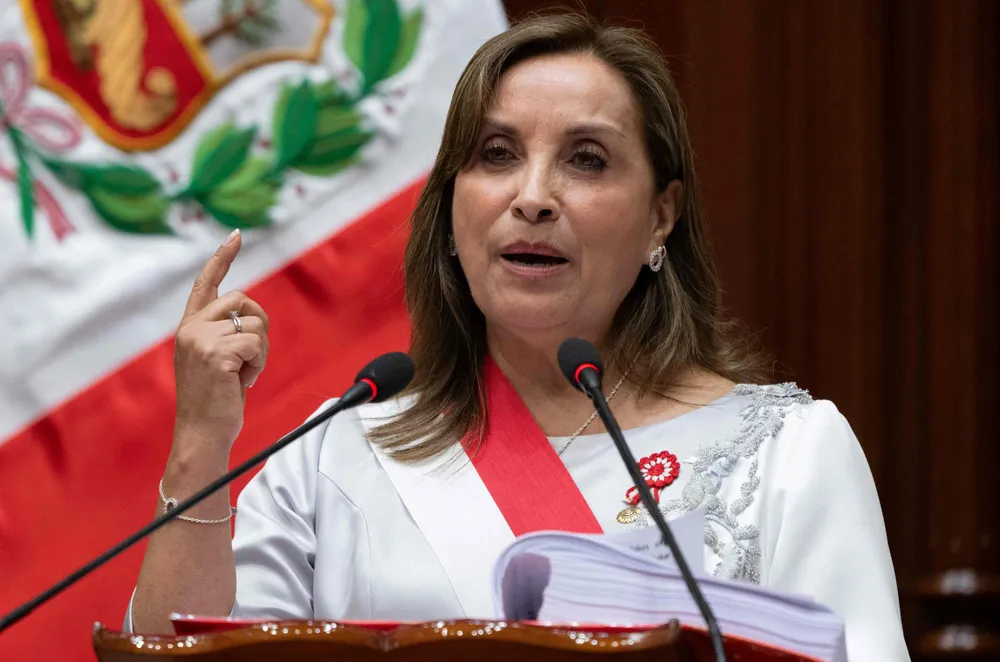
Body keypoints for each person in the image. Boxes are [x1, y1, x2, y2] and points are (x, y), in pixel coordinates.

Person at [126, 11, 909, 661]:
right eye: (496, 155)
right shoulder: (336, 450)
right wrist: (200, 441)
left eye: (587, 160)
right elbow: (180, 654)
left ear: (660, 216)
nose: (533, 196)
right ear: (451, 208)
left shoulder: (789, 454)